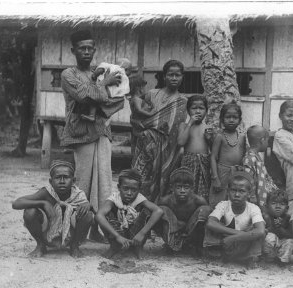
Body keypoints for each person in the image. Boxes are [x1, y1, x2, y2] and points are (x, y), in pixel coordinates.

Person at [61, 30, 124, 242]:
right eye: (82, 48)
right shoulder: (69, 74)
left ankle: (98, 229)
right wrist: (103, 85)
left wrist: (102, 92)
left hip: (102, 131)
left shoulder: (102, 72)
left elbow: (117, 100)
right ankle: (74, 230)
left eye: (90, 48)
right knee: (82, 181)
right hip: (81, 132)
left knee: (104, 182)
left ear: (94, 50)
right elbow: (83, 96)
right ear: (74, 51)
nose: (86, 52)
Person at [12, 160, 93, 258]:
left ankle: (74, 246)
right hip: (46, 236)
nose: (62, 181)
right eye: (58, 177)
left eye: (66, 177)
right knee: (30, 212)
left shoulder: (78, 195)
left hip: (70, 236)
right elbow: (16, 203)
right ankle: (41, 245)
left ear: (73, 180)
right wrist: (43, 202)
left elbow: (92, 213)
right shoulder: (46, 193)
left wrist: (88, 205)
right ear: (51, 181)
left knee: (87, 214)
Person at [132, 60, 187, 202]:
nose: (174, 78)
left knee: (162, 184)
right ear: (164, 77)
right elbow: (136, 117)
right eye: (170, 75)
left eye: (177, 75)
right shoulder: (152, 94)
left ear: (182, 77)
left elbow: (178, 129)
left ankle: (155, 214)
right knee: (140, 180)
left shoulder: (183, 102)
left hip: (168, 150)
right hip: (146, 145)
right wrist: (142, 128)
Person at [95, 169, 163, 259]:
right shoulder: (114, 198)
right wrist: (117, 236)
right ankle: (114, 246)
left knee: (148, 212)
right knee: (105, 215)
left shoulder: (140, 199)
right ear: (119, 187)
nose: (129, 193)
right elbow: (99, 215)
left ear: (139, 190)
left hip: (135, 234)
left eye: (134, 190)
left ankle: (138, 247)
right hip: (118, 233)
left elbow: (159, 211)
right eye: (125, 189)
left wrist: (142, 233)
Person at [204, 168, 266, 268]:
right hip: (225, 243)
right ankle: (216, 254)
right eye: (233, 190)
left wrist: (234, 238)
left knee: (260, 231)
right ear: (228, 191)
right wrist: (237, 234)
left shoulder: (253, 208)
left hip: (244, 244)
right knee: (211, 226)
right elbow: (210, 223)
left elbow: (260, 231)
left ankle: (250, 258)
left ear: (249, 193)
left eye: (241, 191)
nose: (237, 194)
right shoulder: (223, 205)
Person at [155, 167, 211, 255]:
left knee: (205, 210)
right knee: (161, 210)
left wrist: (188, 227)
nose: (182, 191)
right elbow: (157, 222)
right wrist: (175, 225)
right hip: (173, 230)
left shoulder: (198, 200)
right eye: (178, 187)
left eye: (186, 187)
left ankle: (196, 245)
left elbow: (206, 220)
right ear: (171, 187)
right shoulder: (165, 201)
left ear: (192, 188)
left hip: (191, 230)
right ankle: (170, 244)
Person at [209, 102, 246, 208]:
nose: (231, 120)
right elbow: (213, 157)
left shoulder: (242, 137)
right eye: (228, 117)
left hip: (236, 173)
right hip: (221, 173)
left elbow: (243, 156)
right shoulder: (220, 136)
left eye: (235, 117)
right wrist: (215, 178)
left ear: (239, 120)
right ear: (222, 119)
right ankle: (215, 221)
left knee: (235, 199)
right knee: (218, 201)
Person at [177, 95, 213, 200]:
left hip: (204, 164)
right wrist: (190, 123)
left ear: (206, 111)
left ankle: (200, 211)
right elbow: (180, 142)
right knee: (187, 188)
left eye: (201, 108)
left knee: (202, 190)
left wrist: (209, 138)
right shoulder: (183, 126)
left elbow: (213, 149)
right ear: (188, 111)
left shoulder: (207, 128)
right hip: (188, 163)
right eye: (194, 108)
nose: (198, 111)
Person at [243, 125, 278, 207]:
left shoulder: (257, 156)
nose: (267, 143)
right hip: (256, 201)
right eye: (267, 140)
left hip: (263, 198)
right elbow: (248, 181)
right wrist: (253, 199)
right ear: (262, 140)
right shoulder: (249, 159)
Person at [262, 189, 293, 264]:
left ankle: (282, 260)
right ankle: (269, 257)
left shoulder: (288, 218)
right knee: (270, 236)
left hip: (283, 245)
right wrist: (273, 226)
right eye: (273, 203)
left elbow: (291, 235)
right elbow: (262, 233)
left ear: (287, 208)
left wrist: (280, 228)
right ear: (267, 206)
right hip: (270, 247)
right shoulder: (265, 218)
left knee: (290, 242)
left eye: (282, 204)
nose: (278, 206)